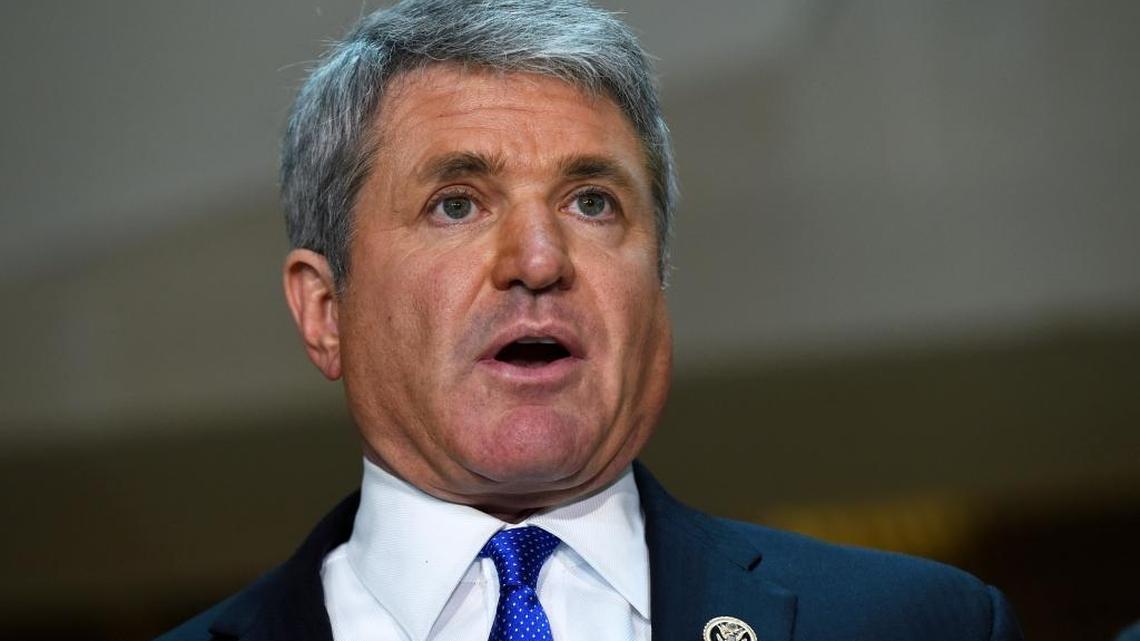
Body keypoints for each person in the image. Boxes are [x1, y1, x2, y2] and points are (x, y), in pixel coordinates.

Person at [156, 1, 1023, 640]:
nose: (539, 259)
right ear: (323, 310)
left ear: (659, 285)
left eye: (593, 201)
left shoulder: (916, 625)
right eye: (457, 204)